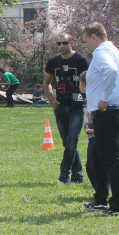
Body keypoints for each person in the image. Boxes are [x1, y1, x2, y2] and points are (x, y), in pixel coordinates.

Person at [82, 22, 119, 216]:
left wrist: (103, 99)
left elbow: (111, 72)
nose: (86, 45)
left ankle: (117, 205)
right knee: (97, 156)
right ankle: (101, 198)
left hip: (109, 112)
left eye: (86, 41)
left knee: (111, 160)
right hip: (118, 111)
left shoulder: (101, 53)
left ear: (95, 37)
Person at [44, 32, 90, 184]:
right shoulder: (53, 62)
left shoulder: (81, 60)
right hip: (61, 106)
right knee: (67, 142)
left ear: (72, 43)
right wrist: (51, 99)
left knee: (72, 140)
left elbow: (90, 82)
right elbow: (46, 82)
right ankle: (77, 175)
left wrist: (88, 101)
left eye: (64, 43)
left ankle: (64, 175)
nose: (62, 46)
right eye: (59, 44)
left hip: (77, 106)